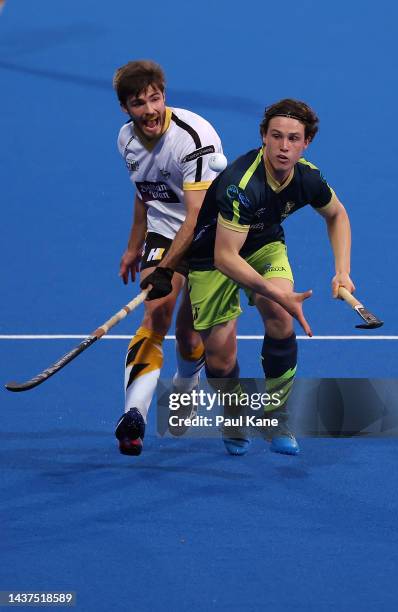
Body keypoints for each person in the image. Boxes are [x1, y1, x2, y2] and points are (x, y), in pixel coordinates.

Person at [184, 98, 355, 456]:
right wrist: (277, 294)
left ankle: (276, 414)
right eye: (276, 136)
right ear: (263, 136)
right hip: (212, 258)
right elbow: (225, 257)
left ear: (306, 142)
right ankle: (234, 413)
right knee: (219, 357)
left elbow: (337, 215)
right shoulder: (241, 184)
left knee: (279, 317)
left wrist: (342, 271)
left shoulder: (307, 177)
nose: (284, 146)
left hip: (263, 246)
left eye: (294, 138)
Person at [113, 60, 223, 456]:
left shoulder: (193, 138)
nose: (149, 110)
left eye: (155, 98)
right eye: (138, 103)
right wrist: (133, 246)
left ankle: (186, 383)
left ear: (164, 96)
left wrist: (166, 267)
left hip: (210, 233)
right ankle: (133, 416)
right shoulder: (126, 140)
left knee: (191, 332)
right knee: (155, 314)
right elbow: (147, 191)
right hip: (163, 230)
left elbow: (195, 217)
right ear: (126, 108)